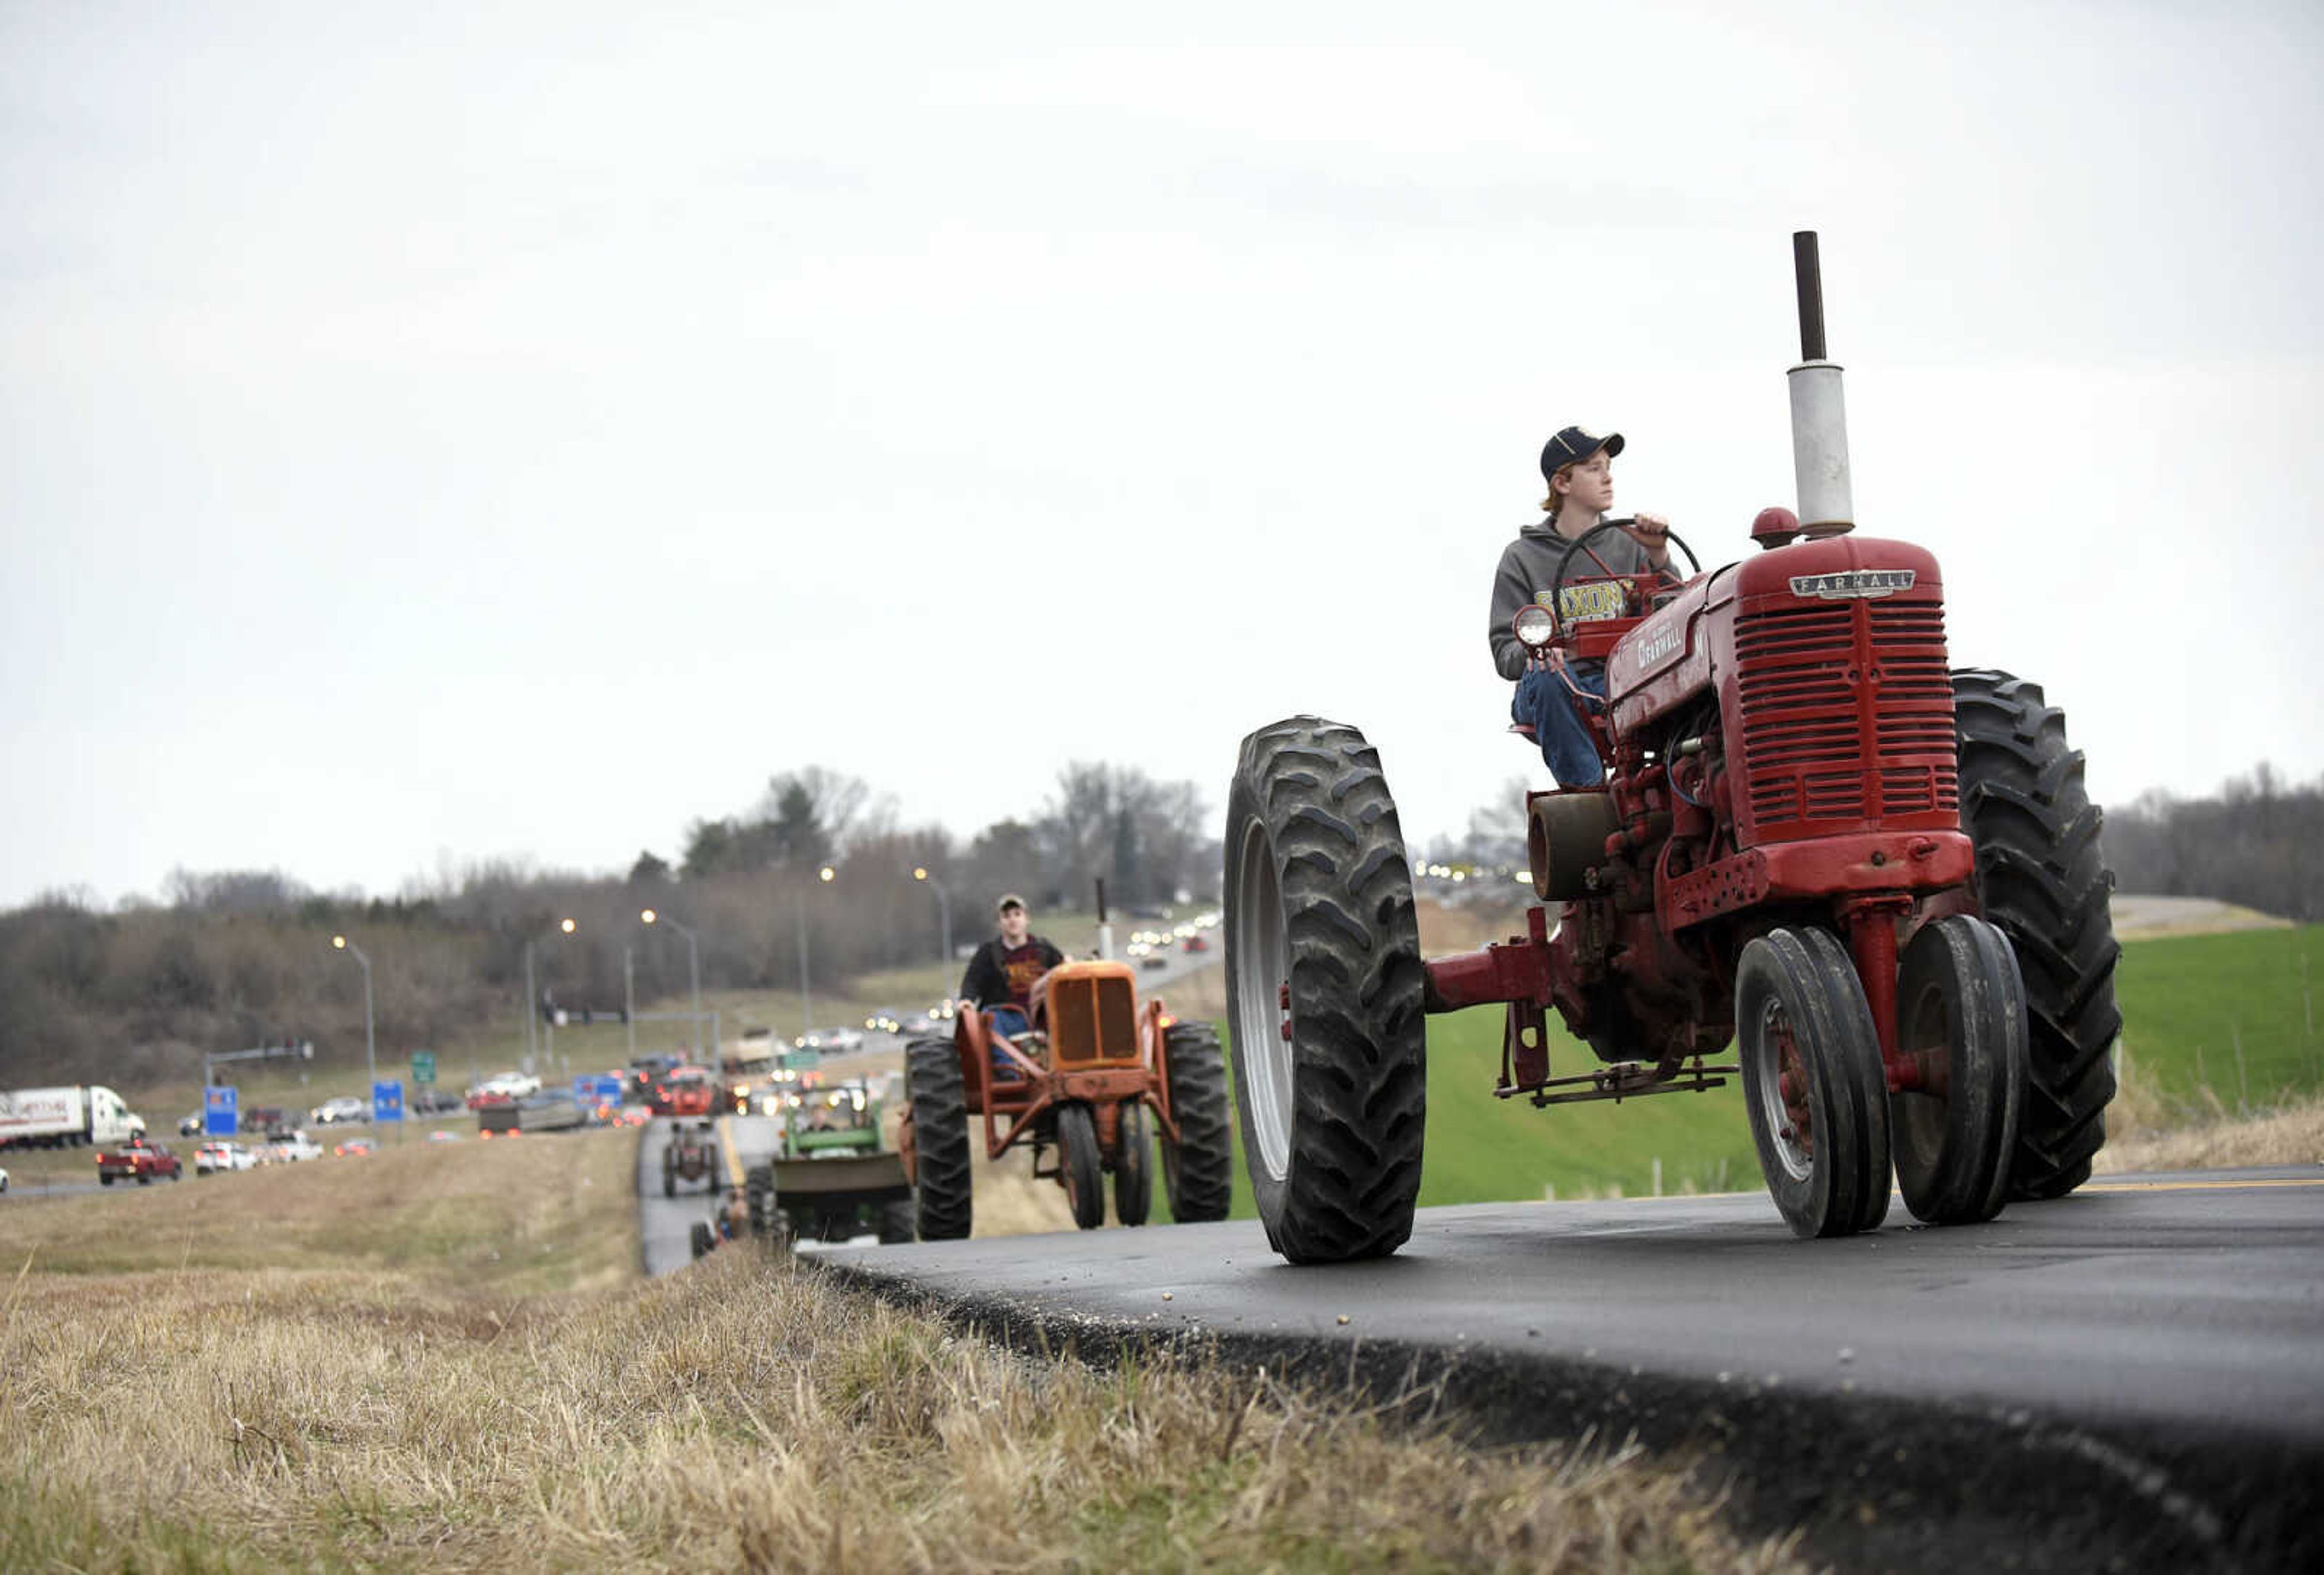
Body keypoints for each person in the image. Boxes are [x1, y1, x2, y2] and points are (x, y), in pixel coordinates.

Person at [1487, 426, 1679, 788]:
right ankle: (1590, 796)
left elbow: (1674, 615)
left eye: (1608, 466)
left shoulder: (1631, 544)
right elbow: (1505, 652)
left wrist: (1658, 553)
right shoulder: (1522, 558)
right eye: (1594, 468)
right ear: (1562, 483)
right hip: (1558, 686)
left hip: (1625, 683)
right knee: (1547, 678)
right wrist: (1537, 651)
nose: (1608, 477)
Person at [957, 894, 1065, 1045]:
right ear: (999, 923)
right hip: (1006, 1017)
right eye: (1006, 916)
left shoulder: (1045, 950)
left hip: (1042, 1016)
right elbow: (973, 980)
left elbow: (1064, 974)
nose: (1013, 920)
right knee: (990, 1018)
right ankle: (1007, 1068)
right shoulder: (989, 953)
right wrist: (966, 1000)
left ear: (1027, 919)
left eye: (1017, 914)